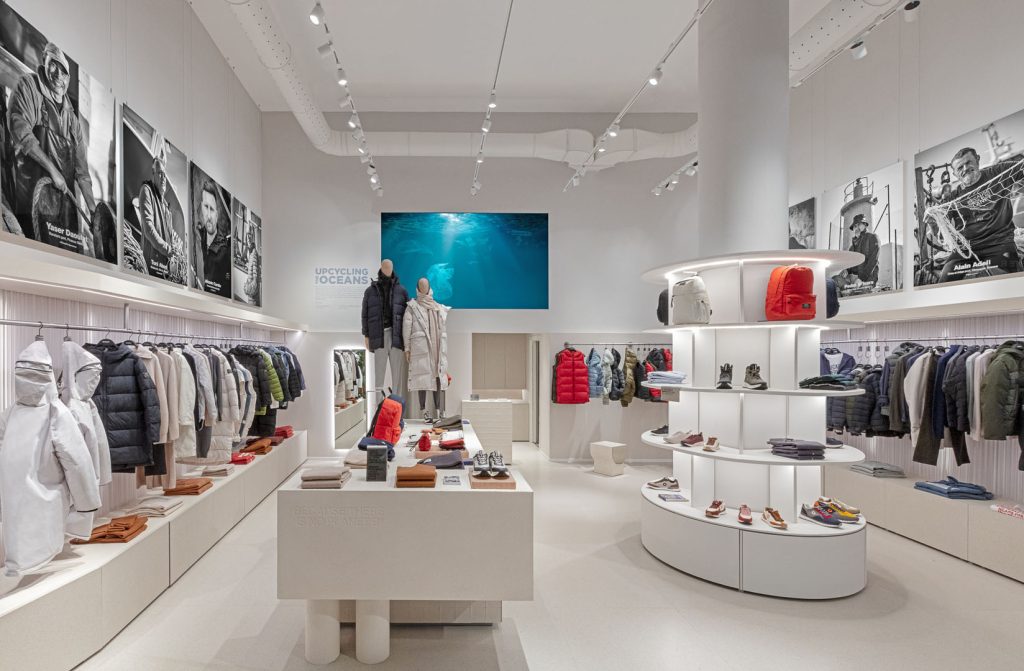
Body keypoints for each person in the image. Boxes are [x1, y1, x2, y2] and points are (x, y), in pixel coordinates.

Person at [7, 41, 95, 250]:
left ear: (69, 79)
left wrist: (93, 210)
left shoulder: (73, 121)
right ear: (44, 61)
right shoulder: (28, 87)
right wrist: (53, 170)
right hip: (29, 204)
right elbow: (20, 130)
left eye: (64, 72)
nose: (58, 75)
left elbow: (82, 173)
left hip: (64, 214)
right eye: (53, 65)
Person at [931, 147, 1024, 282]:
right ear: (955, 174)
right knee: (946, 277)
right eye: (960, 167)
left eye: (968, 162)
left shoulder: (997, 173)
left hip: (999, 242)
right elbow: (941, 230)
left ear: (977, 160)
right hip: (966, 249)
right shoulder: (953, 197)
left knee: (1009, 276)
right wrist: (933, 220)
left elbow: (1021, 168)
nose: (965, 168)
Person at [361, 259, 410, 395]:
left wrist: (407, 340)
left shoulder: (402, 291)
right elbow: (364, 314)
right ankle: (378, 406)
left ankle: (396, 406)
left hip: (396, 336)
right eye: (385, 267)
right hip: (379, 335)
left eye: (389, 267)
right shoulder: (370, 291)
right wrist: (366, 335)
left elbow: (408, 317)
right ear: (381, 268)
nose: (387, 269)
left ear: (392, 268)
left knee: (397, 377)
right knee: (379, 377)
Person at [139, 135, 182, 281]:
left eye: (164, 174)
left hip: (165, 271)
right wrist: (168, 250)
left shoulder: (166, 206)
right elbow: (149, 229)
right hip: (151, 267)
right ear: (153, 174)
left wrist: (174, 250)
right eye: (160, 173)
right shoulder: (146, 191)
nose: (163, 178)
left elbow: (170, 237)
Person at [193, 180, 230, 294]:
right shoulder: (198, 236)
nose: (208, 216)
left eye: (212, 209)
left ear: (217, 215)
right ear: (201, 208)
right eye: (206, 207)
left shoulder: (225, 252)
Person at [847, 213, 879, 283]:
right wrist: (846, 271)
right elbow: (850, 265)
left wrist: (862, 279)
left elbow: (873, 260)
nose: (856, 228)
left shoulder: (872, 237)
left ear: (865, 225)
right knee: (833, 281)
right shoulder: (851, 248)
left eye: (859, 224)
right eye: (854, 226)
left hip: (867, 280)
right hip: (853, 280)